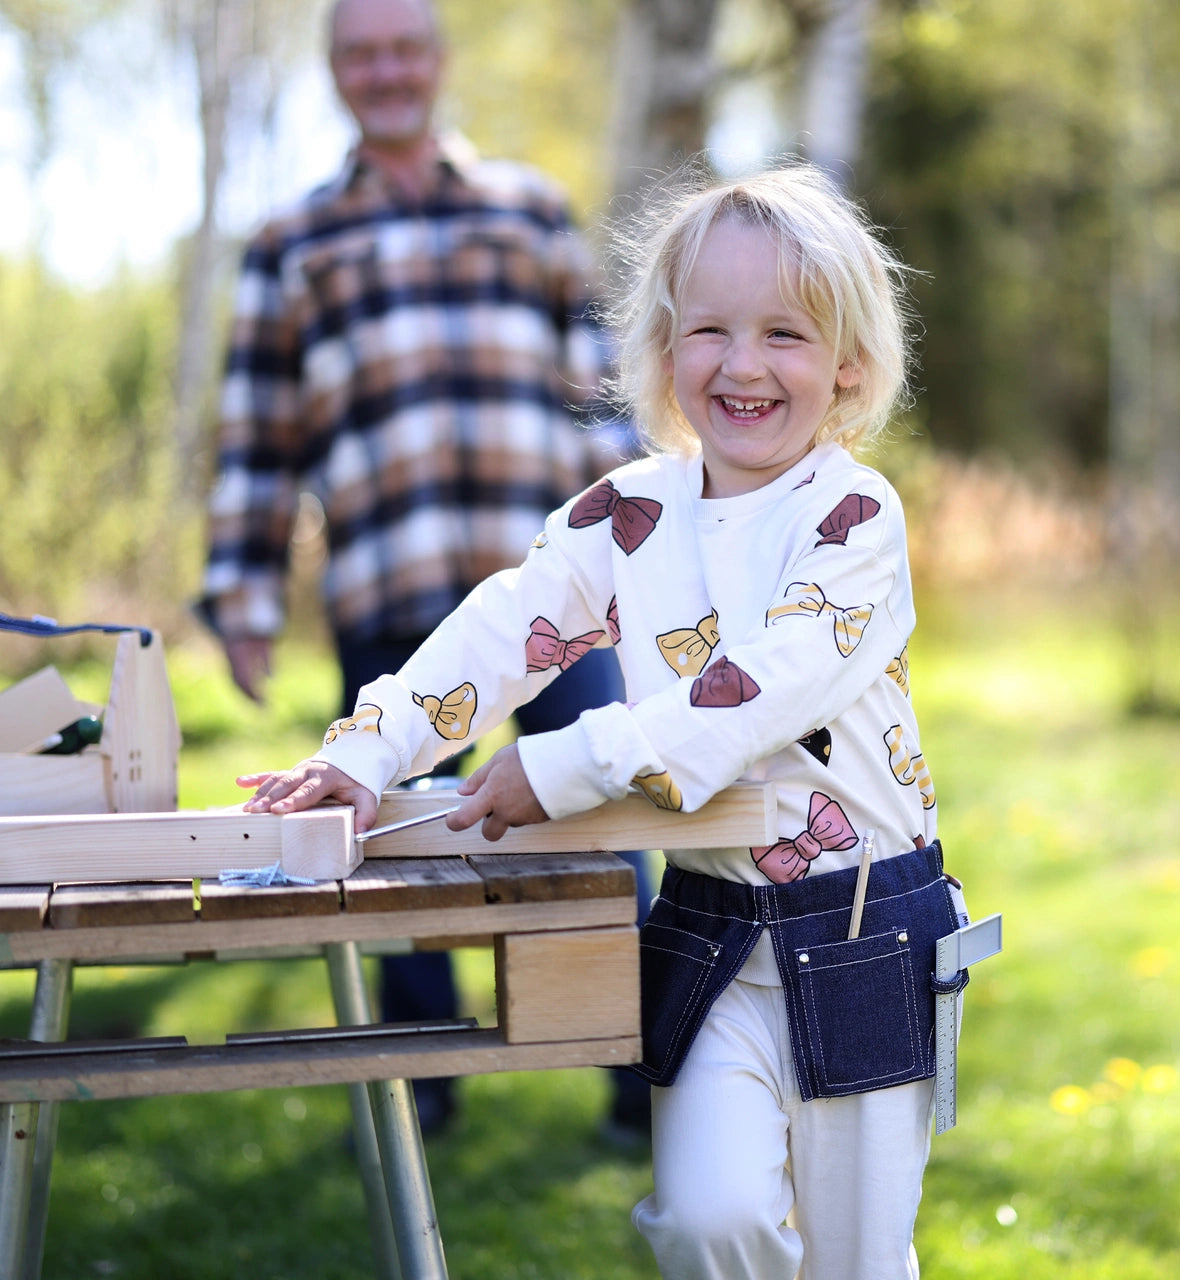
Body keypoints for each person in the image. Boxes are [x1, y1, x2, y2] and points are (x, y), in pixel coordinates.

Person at [239, 161, 972, 1280]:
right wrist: (365, 749)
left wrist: (577, 759)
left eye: (783, 333)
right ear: (663, 350)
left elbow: (764, 686)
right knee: (701, 1219)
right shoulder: (628, 510)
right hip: (711, 931)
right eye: (709, 329)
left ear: (848, 364)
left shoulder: (853, 515)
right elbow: (500, 630)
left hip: (863, 932)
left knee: (856, 1261)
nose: (740, 364)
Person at [198, 0, 652, 1140]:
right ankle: (422, 1089)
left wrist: (647, 550)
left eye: (404, 48)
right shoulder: (287, 242)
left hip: (556, 590)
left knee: (595, 811)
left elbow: (602, 394)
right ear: (337, 74)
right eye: (361, 53)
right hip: (387, 581)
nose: (386, 71)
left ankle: (641, 1081)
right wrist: (245, 598)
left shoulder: (530, 208)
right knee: (393, 832)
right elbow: (257, 436)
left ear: (437, 64)